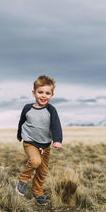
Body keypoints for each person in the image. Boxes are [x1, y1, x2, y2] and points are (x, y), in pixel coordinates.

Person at [16, 75, 63, 205]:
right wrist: (19, 134)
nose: (43, 96)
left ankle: (37, 192)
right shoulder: (27, 108)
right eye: (40, 92)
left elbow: (56, 125)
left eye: (47, 93)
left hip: (45, 145)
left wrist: (57, 140)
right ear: (34, 93)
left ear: (52, 95)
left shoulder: (51, 110)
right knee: (35, 161)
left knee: (42, 171)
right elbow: (21, 122)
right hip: (30, 142)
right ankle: (23, 179)